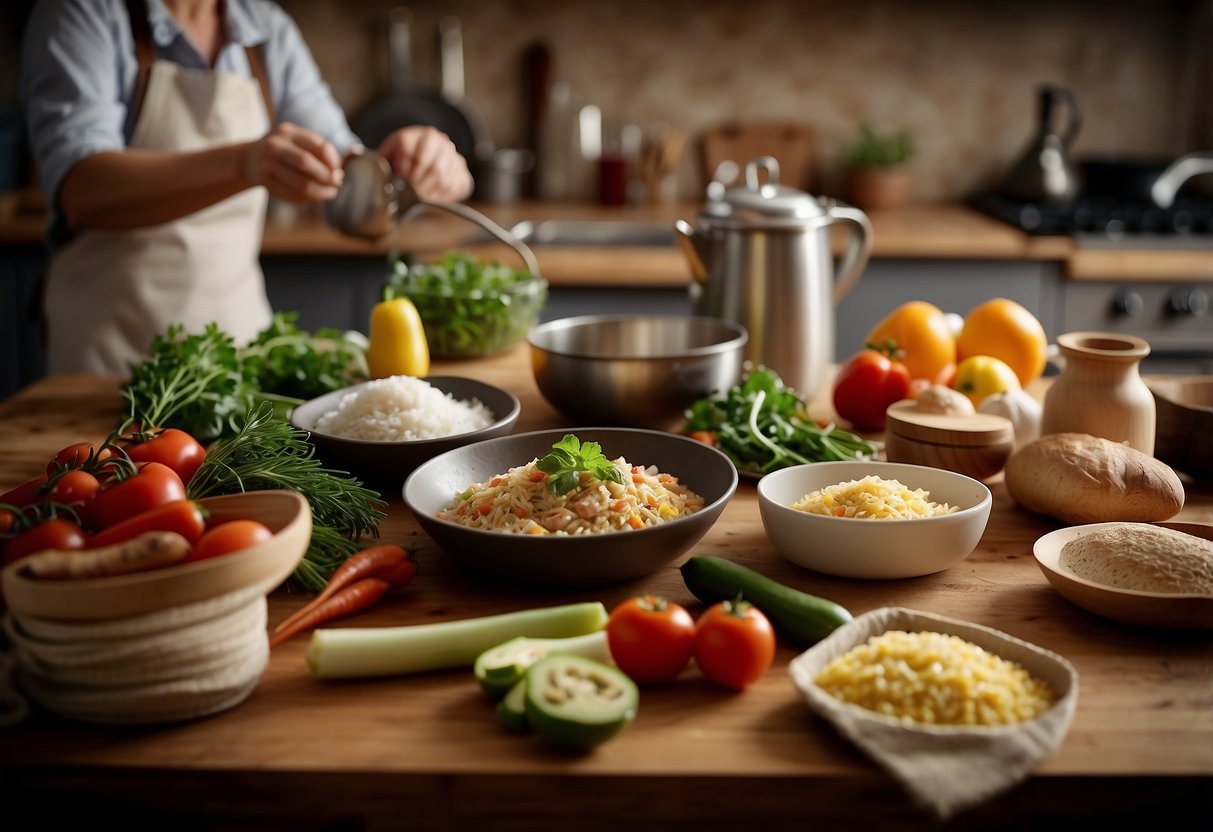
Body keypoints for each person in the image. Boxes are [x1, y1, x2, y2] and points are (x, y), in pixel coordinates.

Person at [20, 0, 473, 375]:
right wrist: (241, 163)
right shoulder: (83, 14)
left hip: (239, 356)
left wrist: (400, 174)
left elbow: (348, 196)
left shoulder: (266, 29)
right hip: (108, 359)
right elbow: (81, 188)